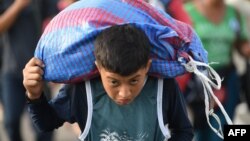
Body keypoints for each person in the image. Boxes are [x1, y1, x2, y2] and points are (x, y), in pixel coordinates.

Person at [23, 24, 194, 141]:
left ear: (147, 67)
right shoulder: (83, 91)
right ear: (98, 68)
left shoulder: (164, 87)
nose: (124, 93)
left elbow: (183, 130)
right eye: (114, 82)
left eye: (134, 80)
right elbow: (46, 123)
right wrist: (34, 94)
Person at [184, 0, 250, 141]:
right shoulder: (187, 12)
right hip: (197, 82)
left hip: (226, 80)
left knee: (222, 130)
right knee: (197, 130)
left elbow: (243, 44)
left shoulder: (234, 14)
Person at [0, 0, 59, 141]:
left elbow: (55, 21)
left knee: (44, 126)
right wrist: (19, 5)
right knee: (11, 121)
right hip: (11, 70)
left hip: (39, 70)